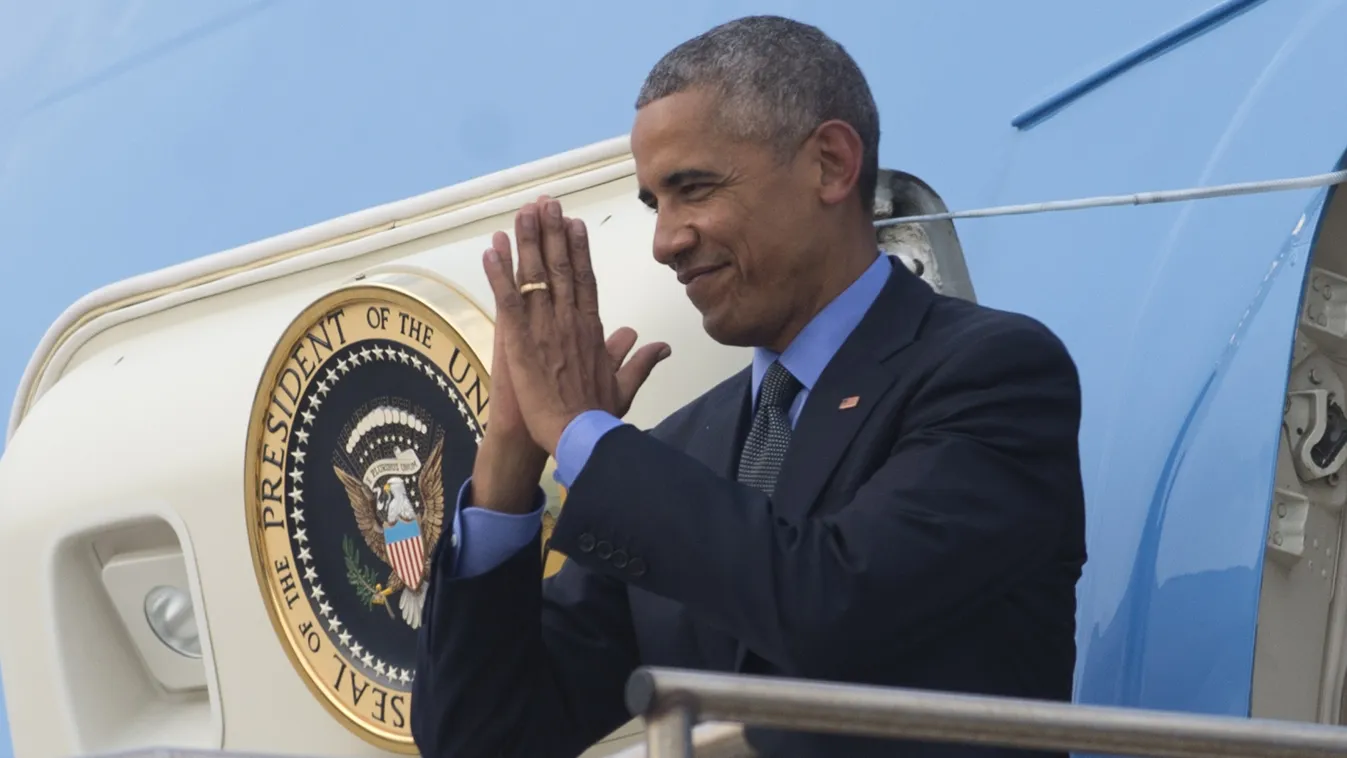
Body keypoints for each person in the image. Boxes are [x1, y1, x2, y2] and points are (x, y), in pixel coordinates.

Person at [410, 14, 1086, 758]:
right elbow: (483, 740)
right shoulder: (681, 450)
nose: (665, 240)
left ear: (830, 164)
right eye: (654, 205)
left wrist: (581, 434)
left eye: (692, 189)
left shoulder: (991, 374)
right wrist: (511, 455)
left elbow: (831, 606)